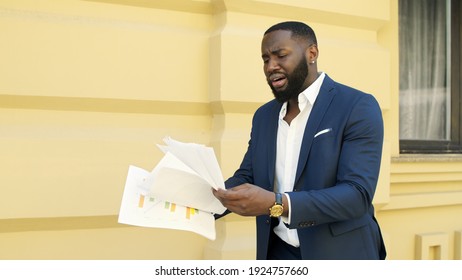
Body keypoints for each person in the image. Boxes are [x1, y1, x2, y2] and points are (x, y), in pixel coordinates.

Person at [212, 21, 386, 260]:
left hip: (341, 255)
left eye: (280, 55)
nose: (271, 66)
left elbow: (357, 195)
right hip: (278, 253)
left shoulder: (357, 106)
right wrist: (203, 199)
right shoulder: (264, 116)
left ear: (311, 53)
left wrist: (277, 204)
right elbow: (248, 176)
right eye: (265, 59)